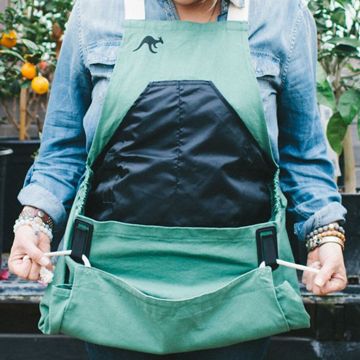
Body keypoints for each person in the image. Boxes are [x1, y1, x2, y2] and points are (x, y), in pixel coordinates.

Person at [9, 0, 348, 359]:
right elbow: (64, 149)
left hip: (241, 291)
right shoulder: (96, 13)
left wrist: (324, 233)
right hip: (109, 290)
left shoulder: (282, 17)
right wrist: (36, 220)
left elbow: (304, 154)